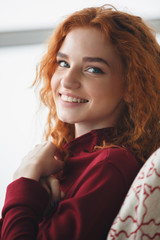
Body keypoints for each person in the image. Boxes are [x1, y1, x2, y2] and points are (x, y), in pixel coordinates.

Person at [0, 4, 160, 240]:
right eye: (63, 63)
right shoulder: (68, 158)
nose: (68, 80)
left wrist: (24, 178)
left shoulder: (109, 165)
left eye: (93, 69)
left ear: (132, 88)